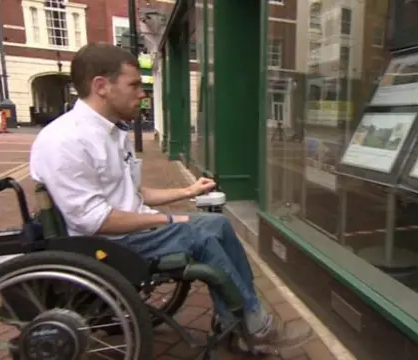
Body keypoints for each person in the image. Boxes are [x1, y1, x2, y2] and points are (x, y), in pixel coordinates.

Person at [29, 43, 312, 351]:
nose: (142, 93)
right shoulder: (66, 140)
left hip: (129, 231)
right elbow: (94, 220)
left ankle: (237, 319)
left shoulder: (110, 133)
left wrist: (188, 192)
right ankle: (254, 328)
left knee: (218, 225)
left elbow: (133, 193)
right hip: (107, 243)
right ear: (101, 86)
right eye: (134, 84)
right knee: (199, 237)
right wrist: (167, 219)